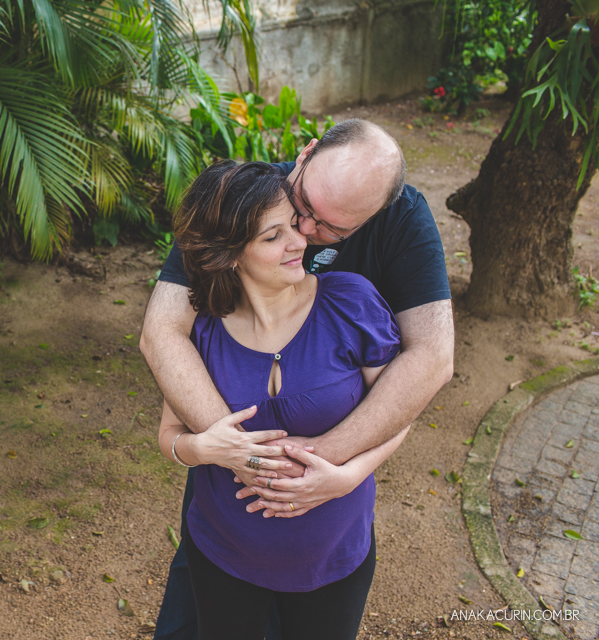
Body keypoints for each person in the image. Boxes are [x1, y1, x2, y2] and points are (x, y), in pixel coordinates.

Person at [142, 119, 455, 639]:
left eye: (331, 228)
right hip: (226, 521)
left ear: (375, 215)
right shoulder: (241, 203)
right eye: (300, 210)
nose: (305, 235)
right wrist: (243, 456)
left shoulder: (377, 259)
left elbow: (431, 362)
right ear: (306, 155)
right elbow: (162, 334)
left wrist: (336, 463)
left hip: (330, 544)